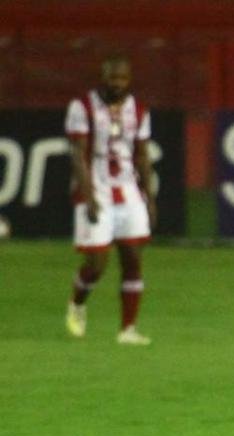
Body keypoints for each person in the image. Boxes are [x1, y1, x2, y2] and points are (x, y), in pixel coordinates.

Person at [64, 54, 157, 345]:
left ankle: (127, 329)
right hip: (97, 190)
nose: (117, 83)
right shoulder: (82, 106)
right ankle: (77, 303)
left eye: (123, 78)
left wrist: (149, 198)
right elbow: (78, 154)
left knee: (132, 259)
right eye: (112, 78)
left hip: (128, 191)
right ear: (102, 78)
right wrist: (89, 196)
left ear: (129, 80)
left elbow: (141, 154)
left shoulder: (139, 109)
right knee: (97, 264)